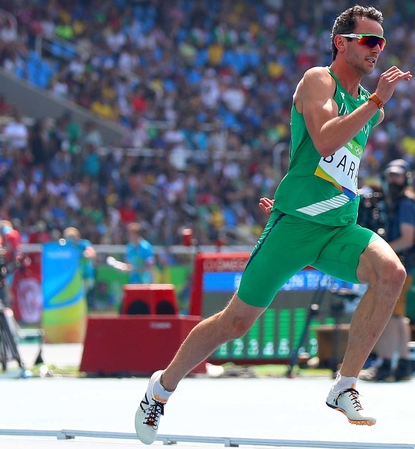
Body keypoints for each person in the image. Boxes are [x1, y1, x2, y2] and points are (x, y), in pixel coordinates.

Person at [135, 6, 411, 444]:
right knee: (234, 323)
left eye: (382, 42)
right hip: (294, 228)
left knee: (392, 274)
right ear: (341, 42)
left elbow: (333, 164)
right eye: (369, 40)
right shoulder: (318, 80)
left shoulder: (367, 107)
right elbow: (324, 142)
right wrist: (377, 101)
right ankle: (160, 389)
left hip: (339, 227)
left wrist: (372, 106)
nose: (378, 49)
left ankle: (345, 385)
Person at [361, 159, 415, 381]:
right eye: (390, 175)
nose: (393, 180)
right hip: (401, 266)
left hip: (400, 267)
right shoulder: (393, 201)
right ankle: (403, 363)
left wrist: (381, 251)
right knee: (397, 316)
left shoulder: (406, 204)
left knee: (387, 315)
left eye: (397, 176)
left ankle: (384, 363)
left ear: (406, 178)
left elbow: (407, 239)